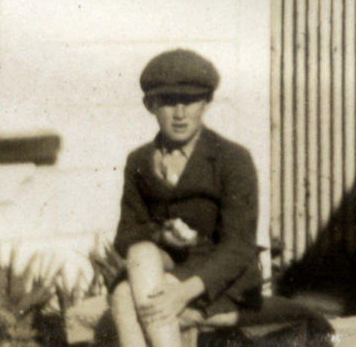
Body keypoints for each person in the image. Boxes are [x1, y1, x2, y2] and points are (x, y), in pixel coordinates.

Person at [110, 48, 261, 347]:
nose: (180, 114)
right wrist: (160, 235)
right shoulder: (139, 161)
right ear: (150, 105)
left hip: (219, 278)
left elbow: (238, 246)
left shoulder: (232, 158)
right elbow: (125, 237)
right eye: (168, 101)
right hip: (162, 267)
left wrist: (182, 293)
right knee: (140, 253)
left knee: (125, 296)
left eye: (189, 101)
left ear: (206, 102)